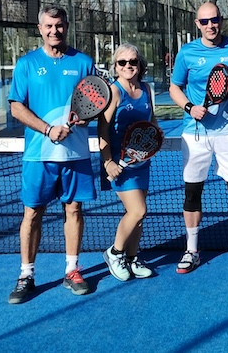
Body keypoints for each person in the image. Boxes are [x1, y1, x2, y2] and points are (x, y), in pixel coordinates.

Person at [7, 5, 97, 304]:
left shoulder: (83, 62)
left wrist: (88, 117)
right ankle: (26, 274)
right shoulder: (27, 64)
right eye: (48, 26)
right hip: (38, 155)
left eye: (59, 25)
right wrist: (47, 129)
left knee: (74, 210)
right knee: (32, 213)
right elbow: (16, 106)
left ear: (67, 26)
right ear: (39, 27)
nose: (54, 31)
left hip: (76, 154)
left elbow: (97, 100)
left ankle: (72, 271)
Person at [169, 1, 228, 274]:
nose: (210, 25)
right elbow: (175, 87)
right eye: (204, 21)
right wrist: (189, 107)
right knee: (192, 193)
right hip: (194, 135)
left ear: (222, 20)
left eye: (214, 20)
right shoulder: (186, 53)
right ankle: (192, 250)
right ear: (197, 24)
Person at [98, 43, 156, 281]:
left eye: (132, 62)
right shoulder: (113, 92)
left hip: (141, 163)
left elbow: (153, 123)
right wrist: (108, 162)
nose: (128, 66)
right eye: (122, 62)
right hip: (119, 166)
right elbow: (102, 130)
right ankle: (115, 253)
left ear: (139, 64)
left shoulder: (146, 89)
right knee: (138, 210)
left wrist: (153, 142)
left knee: (139, 216)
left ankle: (132, 258)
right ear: (115, 67)